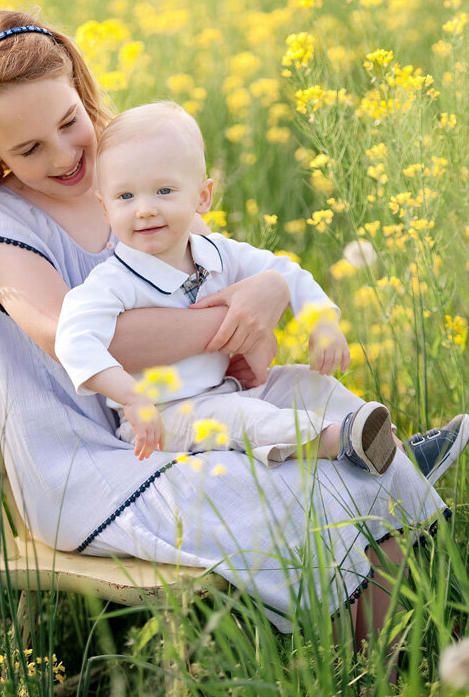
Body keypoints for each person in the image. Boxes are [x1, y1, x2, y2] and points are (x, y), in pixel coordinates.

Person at [0, 8, 463, 639]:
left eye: (70, 123)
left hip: (195, 405)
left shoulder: (129, 171)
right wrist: (241, 311)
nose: (65, 153)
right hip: (91, 465)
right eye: (28, 148)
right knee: (282, 485)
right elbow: (83, 340)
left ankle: (411, 644)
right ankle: (370, 657)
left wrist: (264, 290)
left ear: (80, 88)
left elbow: (219, 276)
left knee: (321, 413)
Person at [56, 101, 398, 476]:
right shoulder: (112, 282)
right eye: (126, 197)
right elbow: (73, 339)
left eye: (164, 191)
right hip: (168, 415)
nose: (145, 210)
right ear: (105, 209)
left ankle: (391, 447)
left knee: (305, 381)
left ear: (202, 197)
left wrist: (324, 323)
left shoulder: (215, 252)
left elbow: (284, 271)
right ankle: (338, 441)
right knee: (244, 417)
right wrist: (130, 396)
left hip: (230, 387)